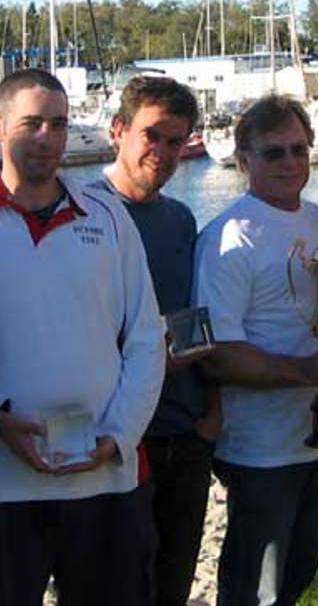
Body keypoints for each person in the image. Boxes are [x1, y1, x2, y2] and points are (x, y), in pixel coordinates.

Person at [0, 68, 165, 606]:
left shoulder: (107, 218)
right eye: (31, 123)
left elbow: (147, 340)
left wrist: (118, 435)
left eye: (58, 124)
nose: (46, 138)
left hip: (103, 479)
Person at [193, 94, 318, 606]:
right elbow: (217, 353)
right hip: (258, 449)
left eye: (299, 149)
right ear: (243, 160)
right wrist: (307, 369)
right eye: (274, 153)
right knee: (255, 588)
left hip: (316, 436)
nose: (290, 162)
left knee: (297, 579)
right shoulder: (228, 238)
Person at [91, 75, 220, 606]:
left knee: (172, 584)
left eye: (177, 140)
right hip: (120, 439)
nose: (164, 153)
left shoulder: (180, 218)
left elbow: (194, 315)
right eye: (152, 135)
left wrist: (211, 408)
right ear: (118, 131)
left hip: (183, 435)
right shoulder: (85, 213)